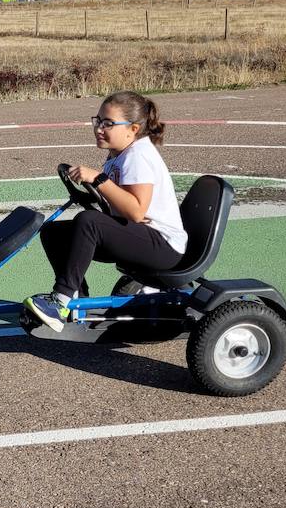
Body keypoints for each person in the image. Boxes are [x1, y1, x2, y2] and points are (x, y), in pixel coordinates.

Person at [24, 91, 188, 332]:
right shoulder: (118, 155)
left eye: (108, 123)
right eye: (98, 121)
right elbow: (115, 202)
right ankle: (78, 298)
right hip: (141, 237)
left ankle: (61, 302)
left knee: (89, 222)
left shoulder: (138, 156)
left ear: (133, 129)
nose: (99, 128)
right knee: (53, 232)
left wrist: (99, 179)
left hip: (163, 246)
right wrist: (88, 193)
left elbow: (135, 211)